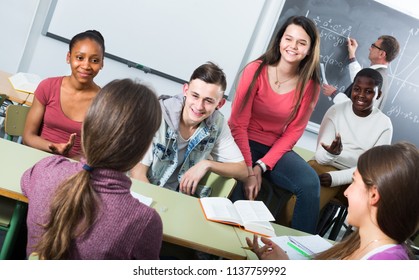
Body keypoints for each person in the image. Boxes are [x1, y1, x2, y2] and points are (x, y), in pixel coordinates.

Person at [21, 79, 163, 260]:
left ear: (88, 124)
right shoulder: (143, 222)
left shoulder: (46, 170)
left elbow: (27, 184)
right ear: (144, 147)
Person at [246, 142, 419, 260]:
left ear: (374, 195)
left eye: (354, 183)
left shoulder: (385, 262)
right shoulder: (362, 243)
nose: (347, 193)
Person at [228, 15, 321, 234]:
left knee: (310, 184)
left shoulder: (311, 85)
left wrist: (262, 165)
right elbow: (237, 124)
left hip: (275, 148)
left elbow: (293, 133)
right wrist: (249, 170)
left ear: (309, 50)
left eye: (301, 43)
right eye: (289, 39)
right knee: (245, 188)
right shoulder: (256, 70)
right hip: (243, 140)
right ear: (280, 40)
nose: (293, 46)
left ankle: (302, 251)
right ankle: (216, 254)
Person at [130, 62, 247, 197]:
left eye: (208, 101)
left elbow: (242, 171)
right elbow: (137, 173)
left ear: (219, 104)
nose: (199, 106)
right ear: (185, 90)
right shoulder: (158, 114)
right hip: (142, 194)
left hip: (178, 198)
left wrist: (207, 164)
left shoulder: (217, 124)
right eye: (195, 96)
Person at [310, 68, 393, 212]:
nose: (361, 95)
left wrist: (336, 178)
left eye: (368, 91)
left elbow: (372, 169)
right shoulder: (336, 111)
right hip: (325, 167)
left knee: (318, 190)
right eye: (357, 89)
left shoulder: (384, 124)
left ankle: (300, 229)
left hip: (357, 179)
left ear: (378, 94)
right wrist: (331, 154)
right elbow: (320, 157)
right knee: (310, 183)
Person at [23, 30, 105, 159]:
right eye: (80, 58)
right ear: (68, 57)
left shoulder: (104, 102)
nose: (86, 65)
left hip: (75, 169)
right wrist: (54, 147)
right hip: (38, 158)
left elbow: (95, 152)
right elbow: (28, 137)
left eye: (94, 60)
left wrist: (69, 163)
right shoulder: (48, 86)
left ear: (101, 63)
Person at [323, 35, 400, 109]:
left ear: (381, 54)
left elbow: (359, 107)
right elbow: (359, 79)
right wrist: (352, 54)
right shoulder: (380, 74)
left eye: (373, 46)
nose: (370, 48)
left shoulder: (376, 77)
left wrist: (334, 94)